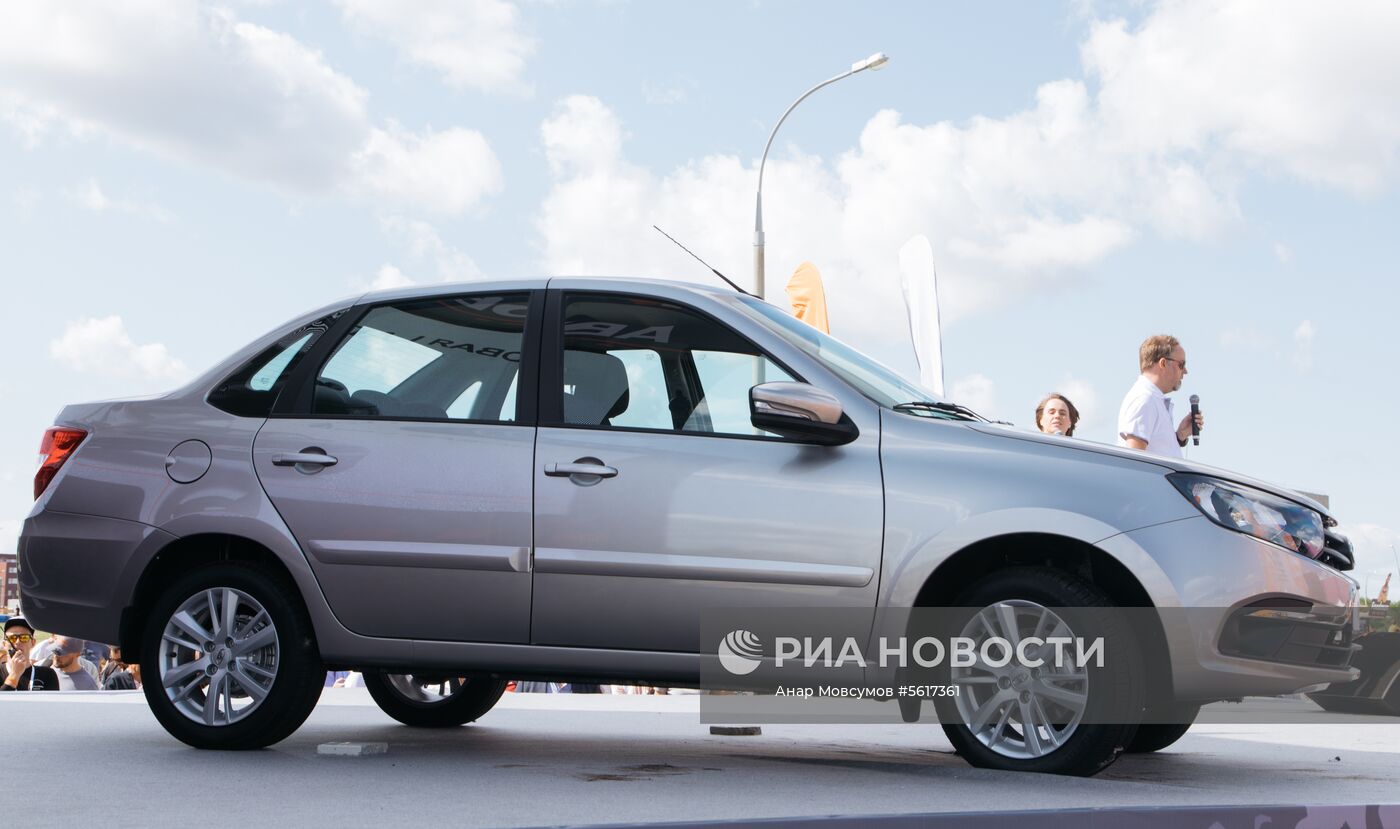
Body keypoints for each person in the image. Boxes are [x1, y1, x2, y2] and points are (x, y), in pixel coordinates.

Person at [1117, 334, 1204, 458]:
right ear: (1163, 363)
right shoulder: (1145, 400)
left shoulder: (1151, 399)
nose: (1185, 371)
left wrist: (1179, 436)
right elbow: (1134, 461)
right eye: (1181, 364)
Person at [1, 617, 60, 691]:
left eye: (24, 637)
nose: (18, 642)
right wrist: (14, 675)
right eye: (12, 638)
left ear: (33, 642)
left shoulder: (47, 674)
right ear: (4, 644)